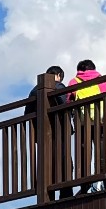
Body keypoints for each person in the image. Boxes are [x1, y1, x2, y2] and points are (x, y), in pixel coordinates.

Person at [69, 60, 106, 190]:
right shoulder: (103, 80)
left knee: (84, 154)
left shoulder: (74, 82)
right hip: (101, 122)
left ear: (79, 70)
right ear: (94, 69)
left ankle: (84, 184)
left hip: (82, 124)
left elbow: (68, 101)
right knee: (103, 152)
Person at [28, 66, 70, 197]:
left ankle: (49, 196)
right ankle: (66, 194)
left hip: (40, 133)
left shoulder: (34, 91)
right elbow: (64, 103)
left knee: (46, 164)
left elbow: (27, 112)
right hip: (58, 130)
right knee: (65, 162)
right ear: (57, 75)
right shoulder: (58, 86)